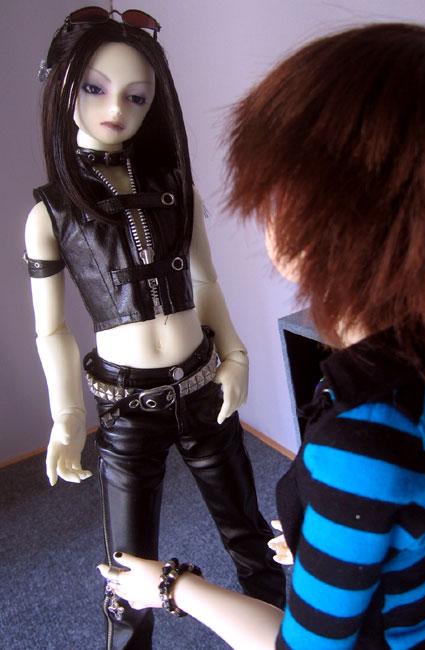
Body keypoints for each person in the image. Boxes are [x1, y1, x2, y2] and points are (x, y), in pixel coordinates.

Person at [99, 22, 425, 649]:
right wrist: (334, 534)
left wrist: (171, 587)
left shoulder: (356, 445)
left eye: (279, 192)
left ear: (333, 222)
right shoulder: (421, 349)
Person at [25, 7, 285, 650]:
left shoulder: (175, 188)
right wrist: (66, 416)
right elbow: (51, 331)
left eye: (137, 96)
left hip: (202, 386)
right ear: (62, 88)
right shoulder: (51, 214)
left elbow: (206, 282)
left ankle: (287, 639)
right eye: (95, 88)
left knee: (251, 537)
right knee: (126, 571)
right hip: (126, 408)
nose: (116, 108)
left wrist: (236, 353)